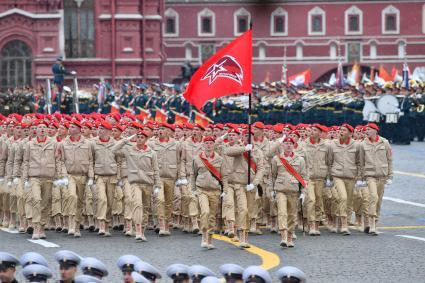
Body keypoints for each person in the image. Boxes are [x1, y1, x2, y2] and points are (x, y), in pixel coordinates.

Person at [113, 130, 161, 241]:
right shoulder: (129, 150)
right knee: (137, 205)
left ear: (146, 139)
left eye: (141, 137)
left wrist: (157, 184)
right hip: (135, 182)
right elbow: (114, 149)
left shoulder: (151, 153)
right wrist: (126, 140)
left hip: (147, 183)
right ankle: (138, 231)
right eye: (138, 137)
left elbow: (156, 169)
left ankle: (142, 230)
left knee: (145, 209)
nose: (139, 139)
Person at [224, 129, 264, 248]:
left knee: (248, 211)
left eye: (250, 136)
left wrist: (255, 183)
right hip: (238, 184)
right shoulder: (239, 148)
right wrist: (245, 149)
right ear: (242, 137)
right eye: (246, 136)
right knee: (241, 209)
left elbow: (261, 169)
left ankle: (244, 236)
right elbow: (228, 151)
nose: (248, 138)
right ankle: (236, 231)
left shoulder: (258, 152)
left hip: (250, 185)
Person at [22, 120, 61, 239]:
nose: (42, 129)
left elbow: (58, 161)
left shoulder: (54, 143)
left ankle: (42, 227)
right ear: (36, 130)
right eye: (39, 127)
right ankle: (36, 227)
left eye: (44, 127)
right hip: (34, 177)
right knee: (36, 200)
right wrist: (25, 179)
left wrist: (58, 177)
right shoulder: (30, 144)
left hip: (48, 176)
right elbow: (26, 161)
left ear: (47, 130)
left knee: (45, 203)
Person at [58, 120, 94, 238]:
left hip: (83, 176)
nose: (70, 129)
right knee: (72, 197)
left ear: (79, 129)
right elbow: (61, 161)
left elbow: (90, 161)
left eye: (73, 127)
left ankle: (77, 225)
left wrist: (91, 177)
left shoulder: (87, 143)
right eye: (70, 127)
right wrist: (64, 175)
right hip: (70, 175)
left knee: (80, 202)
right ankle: (71, 224)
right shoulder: (64, 143)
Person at [271, 137, 307, 248]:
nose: (288, 145)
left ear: (293, 145)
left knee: (292, 215)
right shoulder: (277, 159)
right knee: (282, 213)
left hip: (294, 190)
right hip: (280, 189)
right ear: (283, 145)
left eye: (290, 143)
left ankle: (290, 236)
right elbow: (273, 175)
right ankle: (283, 237)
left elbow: (304, 176)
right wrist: (272, 190)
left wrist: (303, 191)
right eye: (286, 143)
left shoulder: (300, 160)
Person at [359, 123, 393, 235]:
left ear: (375, 130)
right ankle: (372, 224)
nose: (366, 131)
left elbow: (389, 160)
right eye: (366, 129)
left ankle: (374, 221)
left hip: (382, 175)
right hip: (370, 175)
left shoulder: (385, 142)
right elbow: (361, 162)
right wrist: (361, 178)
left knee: (378, 201)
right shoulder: (362, 144)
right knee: (373, 196)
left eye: (369, 129)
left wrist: (390, 176)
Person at [191, 136, 225, 249]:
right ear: (203, 145)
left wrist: (225, 190)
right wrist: (193, 189)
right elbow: (193, 175)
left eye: (211, 143)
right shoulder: (197, 159)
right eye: (206, 143)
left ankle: (209, 239)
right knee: (205, 212)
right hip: (202, 190)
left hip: (215, 191)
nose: (209, 145)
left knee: (212, 216)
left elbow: (224, 176)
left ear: (214, 145)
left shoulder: (220, 159)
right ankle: (204, 237)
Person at [327, 123, 360, 235]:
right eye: (340, 130)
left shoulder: (357, 145)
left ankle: (341, 221)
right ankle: (344, 223)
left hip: (351, 176)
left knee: (349, 201)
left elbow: (359, 162)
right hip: (337, 175)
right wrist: (329, 177)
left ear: (350, 133)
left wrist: (360, 178)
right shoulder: (333, 145)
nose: (341, 132)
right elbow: (329, 162)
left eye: (344, 130)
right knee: (343, 197)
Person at [303, 124, 328, 236]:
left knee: (319, 201)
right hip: (308, 178)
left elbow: (329, 161)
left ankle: (317, 223)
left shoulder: (326, 145)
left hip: (320, 177)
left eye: (315, 130)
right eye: (311, 130)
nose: (312, 131)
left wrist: (329, 178)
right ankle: (311, 224)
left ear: (320, 133)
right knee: (311, 200)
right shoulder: (304, 144)